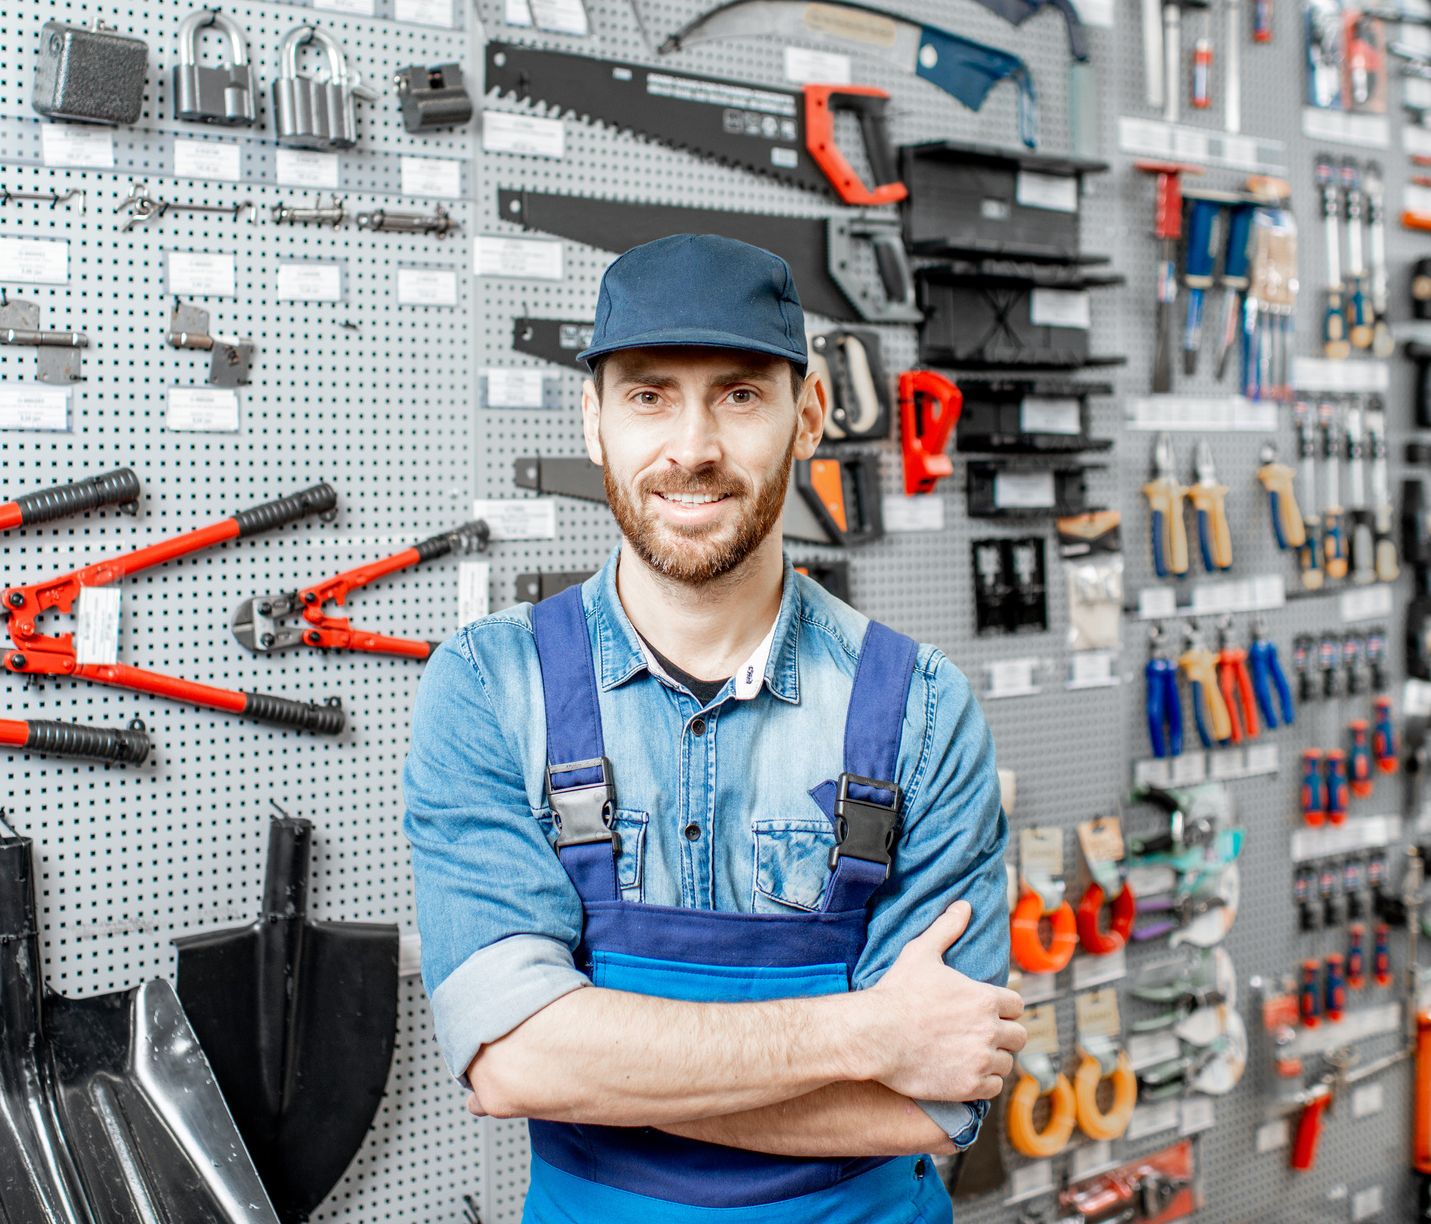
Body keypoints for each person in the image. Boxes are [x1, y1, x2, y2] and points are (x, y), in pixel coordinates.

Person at [405, 233, 1021, 1222]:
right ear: (594, 421)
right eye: (648, 395)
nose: (690, 447)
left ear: (807, 416)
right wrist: (866, 1037)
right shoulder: (486, 687)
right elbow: (512, 1062)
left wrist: (605, 1070)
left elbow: (935, 1097)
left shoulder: (921, 709)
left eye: (738, 395)